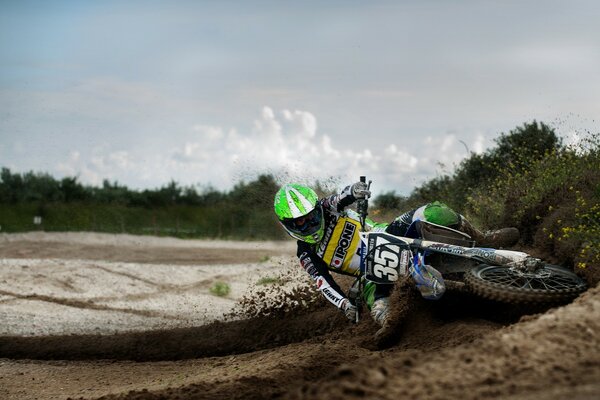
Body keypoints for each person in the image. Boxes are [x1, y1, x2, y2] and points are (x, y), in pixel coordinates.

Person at [273, 182, 519, 327]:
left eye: (311, 218)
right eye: (299, 224)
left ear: (317, 208)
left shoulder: (328, 207)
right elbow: (324, 284)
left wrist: (356, 190)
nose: (308, 226)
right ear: (288, 225)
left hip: (391, 235)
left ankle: (485, 237)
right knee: (382, 312)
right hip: (369, 278)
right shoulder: (306, 252)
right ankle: (418, 331)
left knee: (430, 211)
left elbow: (344, 195)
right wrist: (345, 304)